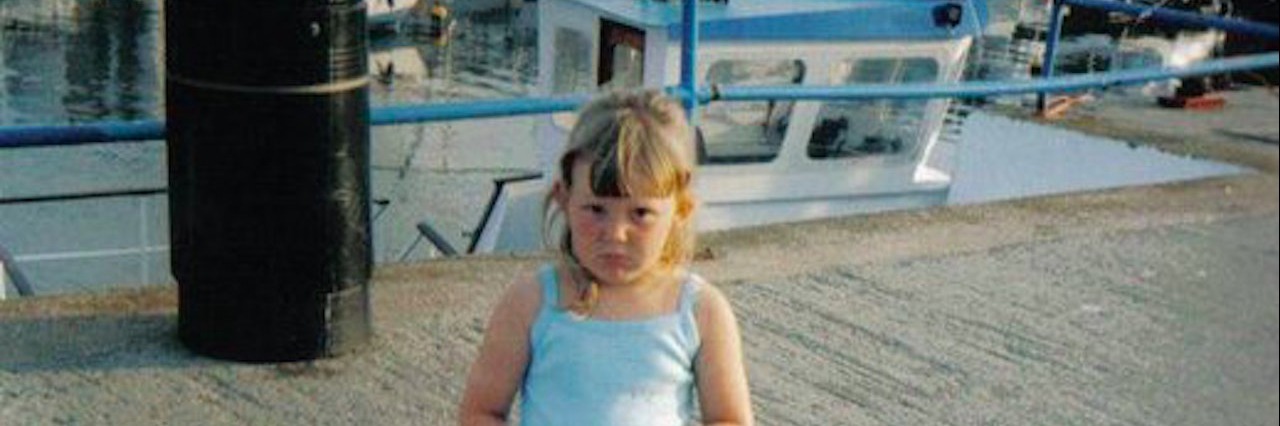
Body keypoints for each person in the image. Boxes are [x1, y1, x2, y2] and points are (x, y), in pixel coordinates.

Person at [458, 90, 753, 426]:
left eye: (640, 213)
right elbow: (480, 412)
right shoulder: (530, 302)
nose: (615, 233)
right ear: (564, 199)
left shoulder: (701, 310)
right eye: (596, 209)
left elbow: (730, 419)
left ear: (681, 209)